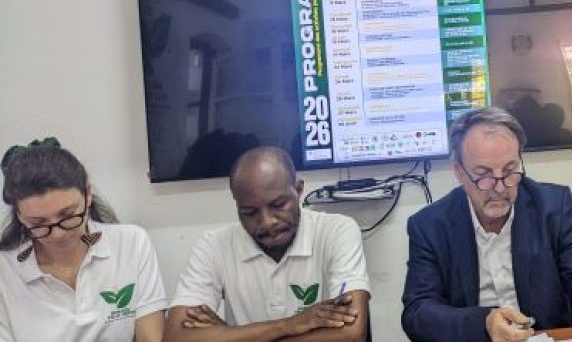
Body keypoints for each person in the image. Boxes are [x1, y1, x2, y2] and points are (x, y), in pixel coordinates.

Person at [401, 106, 572, 342]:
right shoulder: (430, 226)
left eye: (510, 170)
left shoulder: (555, 207)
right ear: (459, 172)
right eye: (484, 175)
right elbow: (418, 312)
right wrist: (484, 323)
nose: (500, 188)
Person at [164, 146, 370, 342]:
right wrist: (288, 325)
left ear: (298, 189)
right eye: (250, 212)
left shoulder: (336, 230)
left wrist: (230, 335)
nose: (267, 222)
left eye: (278, 205)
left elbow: (351, 336)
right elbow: (176, 337)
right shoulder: (214, 246)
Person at [0, 139, 167, 342]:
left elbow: (151, 337)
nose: (58, 234)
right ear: (19, 216)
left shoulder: (130, 243)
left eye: (68, 215)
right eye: (38, 223)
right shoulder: (5, 271)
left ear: (87, 195)